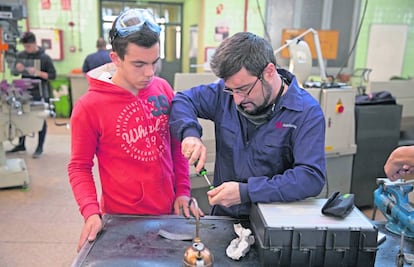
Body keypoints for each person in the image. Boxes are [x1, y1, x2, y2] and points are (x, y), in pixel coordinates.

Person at [67, 8, 200, 252]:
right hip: (121, 220)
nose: (149, 73)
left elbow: (175, 146)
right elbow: (79, 166)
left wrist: (182, 191)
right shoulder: (89, 106)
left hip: (169, 212)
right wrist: (90, 212)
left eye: (154, 62)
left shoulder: (162, 88)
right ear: (116, 58)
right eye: (139, 64)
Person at [169, 32, 326, 219]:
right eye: (231, 90)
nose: (236, 99)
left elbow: (310, 178)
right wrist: (190, 134)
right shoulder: (224, 94)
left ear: (268, 72)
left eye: (243, 90)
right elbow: (183, 99)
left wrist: (247, 192)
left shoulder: (306, 113)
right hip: (224, 219)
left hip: (270, 225)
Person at [7, 31, 57, 158]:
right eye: (25, 47)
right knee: (21, 117)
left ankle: (39, 147)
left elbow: (52, 76)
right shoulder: (21, 55)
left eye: (29, 46)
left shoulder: (45, 58)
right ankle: (21, 144)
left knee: (40, 118)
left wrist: (39, 73)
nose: (27, 49)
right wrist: (16, 69)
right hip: (25, 92)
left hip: (40, 92)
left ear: (35, 43)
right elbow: (13, 72)